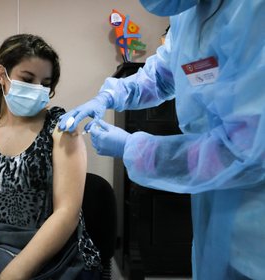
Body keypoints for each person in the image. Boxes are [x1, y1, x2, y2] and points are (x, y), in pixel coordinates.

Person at [58, 1, 265, 279]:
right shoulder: (186, 15)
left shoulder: (253, 12)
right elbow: (162, 76)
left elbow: (244, 151)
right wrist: (109, 96)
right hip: (214, 208)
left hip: (255, 220)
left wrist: (133, 148)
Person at [0, 34, 101, 280]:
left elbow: (66, 214)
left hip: (58, 257)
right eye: (27, 79)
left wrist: (13, 275)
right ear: (2, 75)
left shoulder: (61, 128)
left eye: (45, 83)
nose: (37, 89)